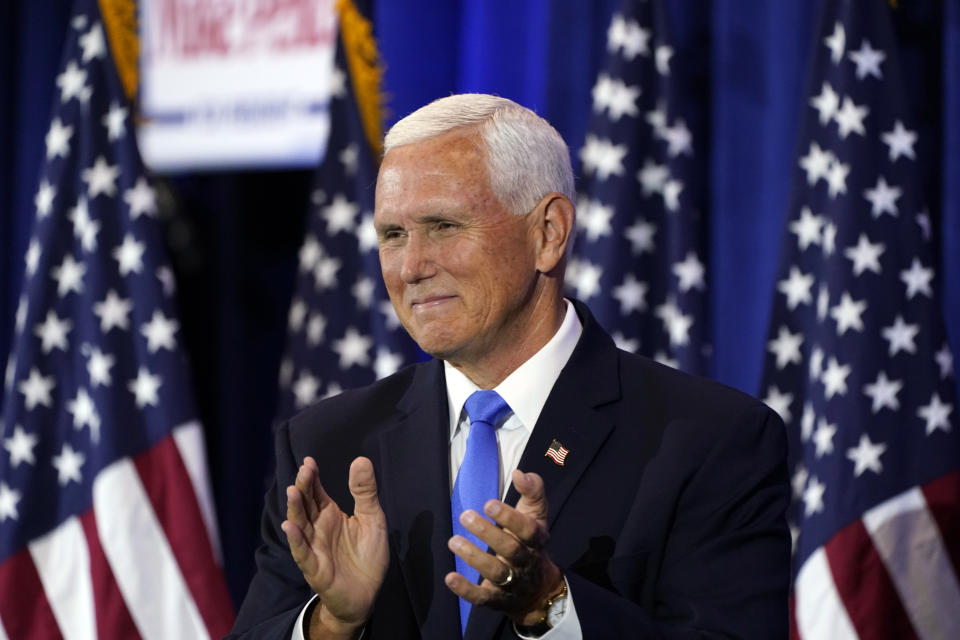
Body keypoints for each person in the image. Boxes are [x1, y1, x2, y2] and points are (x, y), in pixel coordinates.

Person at [229, 94, 791, 640]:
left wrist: (550, 607)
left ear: (548, 233)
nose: (411, 267)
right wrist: (332, 625)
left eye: (444, 226)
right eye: (392, 236)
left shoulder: (710, 440)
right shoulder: (326, 445)